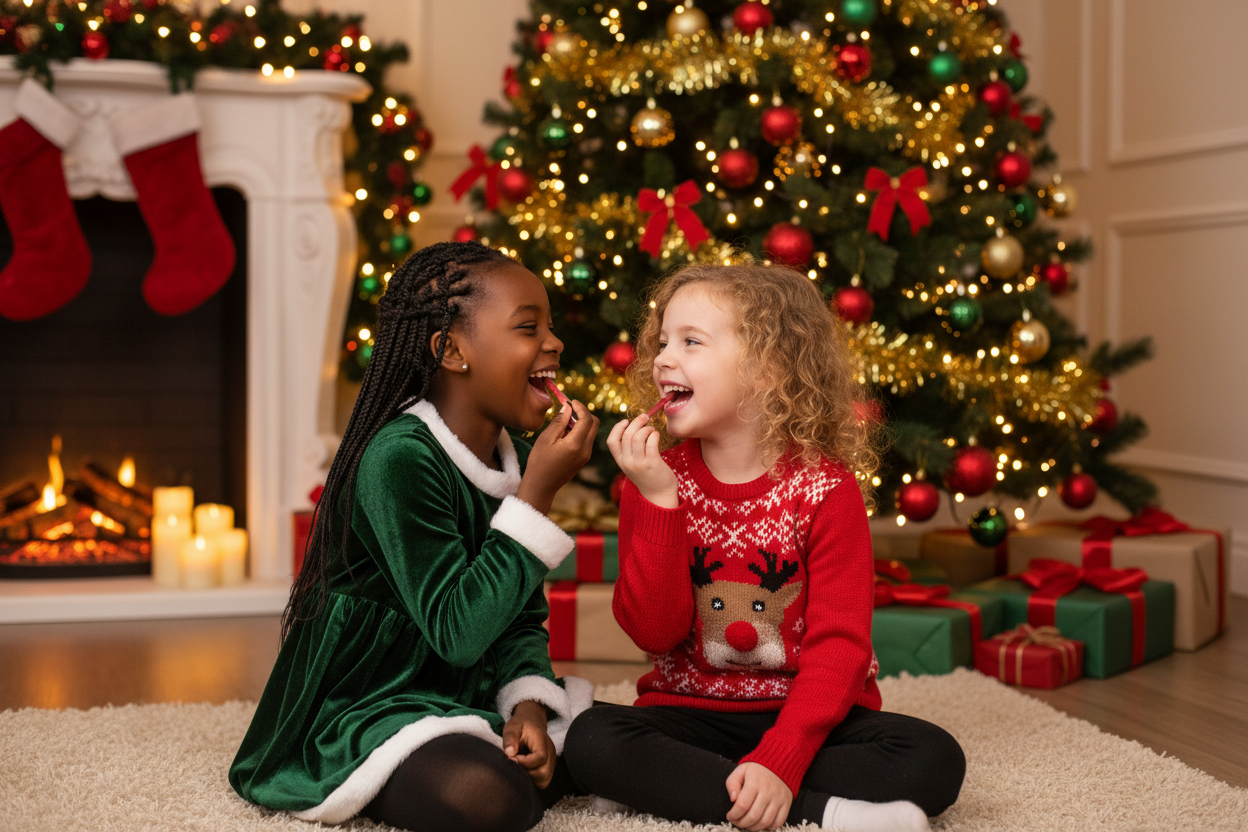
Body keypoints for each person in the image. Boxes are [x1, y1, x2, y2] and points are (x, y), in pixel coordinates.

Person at [563, 263, 965, 832]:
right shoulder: (653, 480)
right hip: (688, 713)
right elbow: (653, 632)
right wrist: (658, 501)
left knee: (932, 759)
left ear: (769, 367)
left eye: (691, 342)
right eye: (662, 341)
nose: (661, 358)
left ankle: (687, 785)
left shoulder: (827, 489)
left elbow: (840, 648)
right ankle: (824, 814)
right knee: (593, 740)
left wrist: (784, 754)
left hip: (808, 716)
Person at [229, 241, 600, 832]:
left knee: (616, 739)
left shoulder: (516, 460)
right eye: (530, 328)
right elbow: (457, 632)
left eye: (551, 327)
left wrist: (526, 704)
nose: (554, 343)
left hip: (465, 688)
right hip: (368, 698)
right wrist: (536, 497)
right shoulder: (400, 457)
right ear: (452, 350)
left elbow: (519, 621)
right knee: (490, 796)